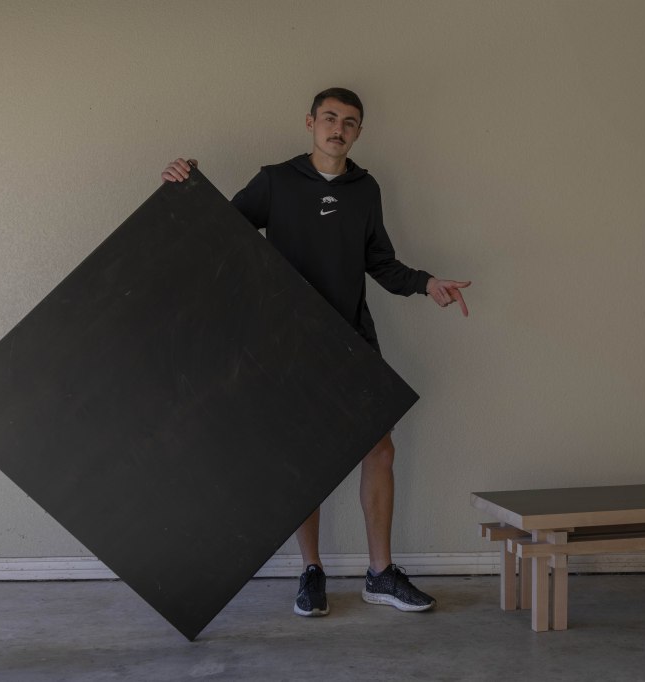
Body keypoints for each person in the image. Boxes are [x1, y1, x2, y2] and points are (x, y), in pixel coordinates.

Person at [162, 87, 470, 617]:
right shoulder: (276, 181)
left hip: (352, 337)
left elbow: (382, 262)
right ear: (310, 123)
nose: (338, 129)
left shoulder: (365, 188)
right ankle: (311, 572)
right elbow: (222, 231)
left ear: (358, 132)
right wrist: (187, 183)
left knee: (379, 449)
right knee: (304, 460)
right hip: (290, 342)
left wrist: (426, 284)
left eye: (349, 122)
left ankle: (380, 574)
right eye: (329, 118)